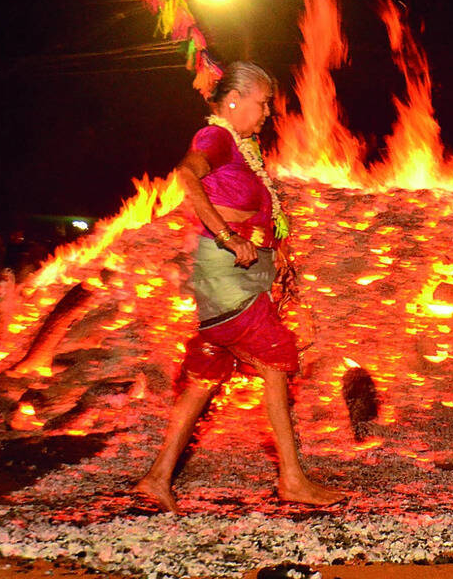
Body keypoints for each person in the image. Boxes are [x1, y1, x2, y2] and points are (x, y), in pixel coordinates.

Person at [132, 61, 348, 514]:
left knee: (205, 376)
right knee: (275, 357)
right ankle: (291, 478)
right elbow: (187, 177)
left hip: (243, 274)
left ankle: (157, 478)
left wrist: (277, 254)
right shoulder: (216, 138)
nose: (268, 111)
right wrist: (229, 237)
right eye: (263, 101)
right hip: (226, 271)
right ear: (234, 100)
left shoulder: (242, 147)